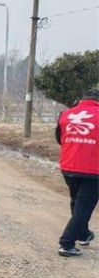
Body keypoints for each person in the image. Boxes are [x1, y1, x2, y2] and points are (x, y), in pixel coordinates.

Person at [55, 88, 99, 257]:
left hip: (68, 167)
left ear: (82, 99)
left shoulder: (66, 114)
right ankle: (66, 243)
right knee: (83, 208)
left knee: (77, 202)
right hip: (93, 170)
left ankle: (83, 234)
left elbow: (60, 138)